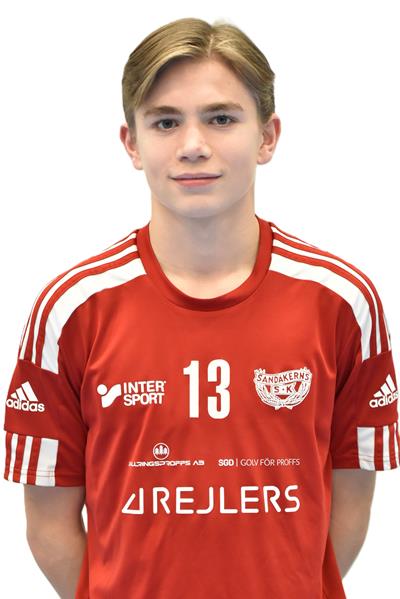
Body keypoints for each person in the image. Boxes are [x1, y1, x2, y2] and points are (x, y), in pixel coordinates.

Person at [3, 16, 399, 599]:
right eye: (166, 122)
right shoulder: (70, 311)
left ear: (267, 137)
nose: (193, 145)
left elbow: (350, 505)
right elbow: (48, 524)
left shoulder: (341, 301)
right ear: (132, 143)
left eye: (221, 118)